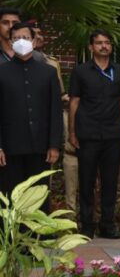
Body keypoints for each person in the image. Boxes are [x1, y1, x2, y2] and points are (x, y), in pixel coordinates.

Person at [69, 30, 120, 238]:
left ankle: (107, 224)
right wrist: (72, 131)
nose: (104, 46)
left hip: (113, 134)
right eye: (99, 43)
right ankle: (87, 225)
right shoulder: (80, 71)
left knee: (110, 182)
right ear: (91, 47)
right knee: (86, 182)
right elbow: (74, 102)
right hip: (87, 134)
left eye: (107, 43)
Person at [0, 23, 63, 210]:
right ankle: (11, 238)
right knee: (10, 195)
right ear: (10, 42)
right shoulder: (1, 72)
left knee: (39, 196)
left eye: (26, 38)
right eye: (16, 38)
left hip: (41, 147)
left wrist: (54, 144)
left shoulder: (49, 73)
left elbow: (55, 111)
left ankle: (39, 238)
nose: (22, 42)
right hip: (10, 147)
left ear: (34, 42)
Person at [30, 25, 78, 211]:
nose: (41, 37)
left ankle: (65, 212)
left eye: (42, 33)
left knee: (54, 165)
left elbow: (58, 93)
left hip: (51, 118)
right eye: (37, 34)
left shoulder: (52, 62)